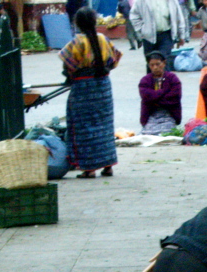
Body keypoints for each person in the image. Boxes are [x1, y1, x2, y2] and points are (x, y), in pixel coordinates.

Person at [59, 7, 122, 178]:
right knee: (104, 126)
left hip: (82, 89)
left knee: (84, 127)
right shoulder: (103, 39)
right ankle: (107, 166)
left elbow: (68, 64)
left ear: (78, 24)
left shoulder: (76, 42)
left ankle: (89, 169)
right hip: (103, 87)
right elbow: (115, 59)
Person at [130, 0, 186, 66]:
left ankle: (165, 76)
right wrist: (142, 30)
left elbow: (179, 17)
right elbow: (134, 15)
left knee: (164, 61)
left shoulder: (172, 1)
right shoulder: (141, 1)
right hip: (148, 37)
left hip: (166, 35)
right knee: (151, 63)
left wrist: (181, 35)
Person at [139, 51, 182, 134]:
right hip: (151, 115)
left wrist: (154, 100)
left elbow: (174, 98)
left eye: (158, 64)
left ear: (164, 63)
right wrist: (163, 92)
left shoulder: (172, 78)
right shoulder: (145, 80)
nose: (155, 67)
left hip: (169, 114)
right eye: (152, 65)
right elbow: (146, 96)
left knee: (166, 133)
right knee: (148, 134)